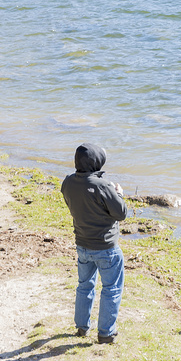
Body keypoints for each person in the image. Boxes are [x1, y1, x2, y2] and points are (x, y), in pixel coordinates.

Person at [60, 142, 127, 344]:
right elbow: (121, 213)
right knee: (111, 288)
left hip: (82, 244)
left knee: (84, 285)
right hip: (106, 247)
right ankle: (106, 333)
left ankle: (82, 326)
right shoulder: (103, 185)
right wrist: (118, 193)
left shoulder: (68, 182)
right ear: (96, 163)